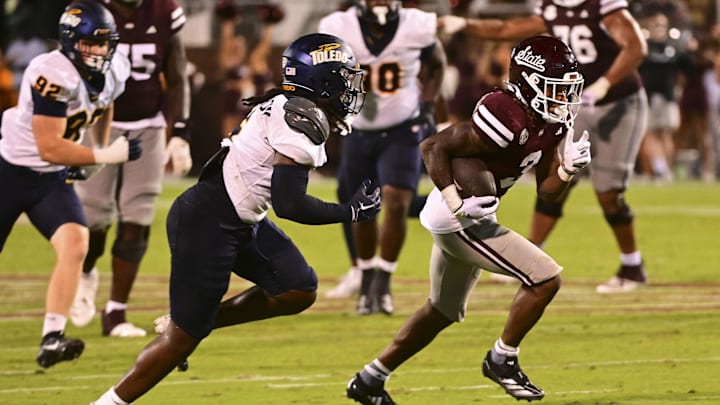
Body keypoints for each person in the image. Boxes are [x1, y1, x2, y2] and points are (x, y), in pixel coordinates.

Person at [90, 32, 381, 404]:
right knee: (180, 342)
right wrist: (350, 212)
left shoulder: (291, 105)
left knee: (298, 287)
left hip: (237, 217)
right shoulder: (300, 118)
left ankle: (197, 321)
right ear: (321, 82)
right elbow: (290, 205)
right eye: (342, 78)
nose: (350, 88)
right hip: (208, 222)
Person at [345, 35, 589, 405]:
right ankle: (502, 359)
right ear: (527, 81)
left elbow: (547, 192)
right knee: (545, 278)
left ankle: (369, 379)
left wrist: (568, 171)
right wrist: (453, 197)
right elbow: (433, 146)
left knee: (440, 311)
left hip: (470, 216)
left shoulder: (551, 122)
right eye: (555, 88)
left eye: (567, 89)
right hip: (459, 216)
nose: (563, 98)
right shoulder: (504, 111)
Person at [439, 0, 649, 293]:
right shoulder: (553, 8)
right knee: (553, 174)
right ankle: (528, 256)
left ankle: (632, 265)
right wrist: (464, 24)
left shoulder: (602, 6)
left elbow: (636, 47)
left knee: (608, 191)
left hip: (619, 103)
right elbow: (508, 29)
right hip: (571, 101)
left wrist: (604, 84)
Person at [0, 1, 138, 368]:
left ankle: (52, 338)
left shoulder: (116, 67)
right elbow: (48, 146)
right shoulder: (50, 72)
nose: (97, 51)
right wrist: (104, 158)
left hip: (49, 180)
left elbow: (105, 103)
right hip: (10, 171)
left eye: (103, 43)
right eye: (89, 43)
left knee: (76, 244)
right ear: (69, 42)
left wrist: (100, 146)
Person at [70, 0, 192, 338]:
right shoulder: (89, 9)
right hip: (98, 122)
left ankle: (116, 312)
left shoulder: (164, 10)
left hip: (147, 126)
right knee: (94, 216)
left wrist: (180, 131)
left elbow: (178, 74)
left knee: (138, 216)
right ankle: (86, 272)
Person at [319, 0, 446, 314]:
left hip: (403, 127)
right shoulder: (338, 27)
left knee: (398, 201)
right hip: (359, 130)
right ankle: (365, 279)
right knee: (363, 207)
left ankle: (384, 281)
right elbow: (320, 71)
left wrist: (428, 105)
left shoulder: (415, 25)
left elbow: (438, 63)